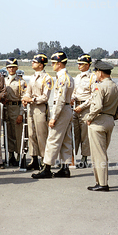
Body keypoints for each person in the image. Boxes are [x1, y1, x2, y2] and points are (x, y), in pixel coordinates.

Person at [32, 51, 74, 179]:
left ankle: (47, 168)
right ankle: (65, 168)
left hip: (61, 110)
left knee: (52, 139)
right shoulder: (69, 77)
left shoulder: (62, 78)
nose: (52, 65)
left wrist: (54, 117)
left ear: (60, 64)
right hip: (67, 109)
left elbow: (59, 100)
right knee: (66, 139)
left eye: (54, 63)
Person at [86, 60, 118, 191]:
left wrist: (89, 118)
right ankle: (100, 182)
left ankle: (102, 184)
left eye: (96, 72)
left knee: (99, 154)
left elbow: (97, 106)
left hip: (98, 122)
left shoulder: (100, 86)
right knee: (102, 152)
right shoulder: (116, 87)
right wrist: (112, 117)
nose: (95, 74)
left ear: (100, 73)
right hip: (109, 121)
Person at [22, 53, 52, 170]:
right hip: (31, 107)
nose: (32, 63)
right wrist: (25, 98)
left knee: (41, 134)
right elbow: (28, 91)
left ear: (41, 64)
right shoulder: (33, 77)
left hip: (40, 108)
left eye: (35, 62)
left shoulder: (47, 78)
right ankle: (34, 158)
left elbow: (45, 97)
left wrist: (32, 99)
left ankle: (44, 160)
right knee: (31, 134)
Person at [71, 53, 96, 168]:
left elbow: (93, 96)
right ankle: (72, 158)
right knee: (74, 133)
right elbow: (75, 92)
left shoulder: (93, 77)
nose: (79, 66)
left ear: (88, 65)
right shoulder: (77, 77)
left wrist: (83, 106)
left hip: (86, 108)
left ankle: (84, 158)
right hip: (76, 107)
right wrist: (72, 98)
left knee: (85, 135)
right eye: (79, 64)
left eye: (82, 64)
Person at [3, 57, 26, 166]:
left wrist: (21, 114)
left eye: (13, 67)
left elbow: (24, 98)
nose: (11, 69)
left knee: (18, 133)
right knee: (8, 133)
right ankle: (10, 155)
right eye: (9, 67)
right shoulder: (3, 80)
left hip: (16, 107)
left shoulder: (21, 81)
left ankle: (19, 156)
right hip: (6, 108)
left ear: (17, 68)